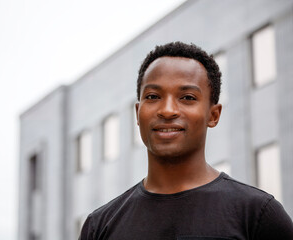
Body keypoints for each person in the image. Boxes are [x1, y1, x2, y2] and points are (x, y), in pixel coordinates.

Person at [78, 42, 293, 240]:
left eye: (187, 97)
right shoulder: (100, 227)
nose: (167, 110)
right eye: (153, 96)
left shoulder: (258, 215)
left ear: (213, 115)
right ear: (137, 112)